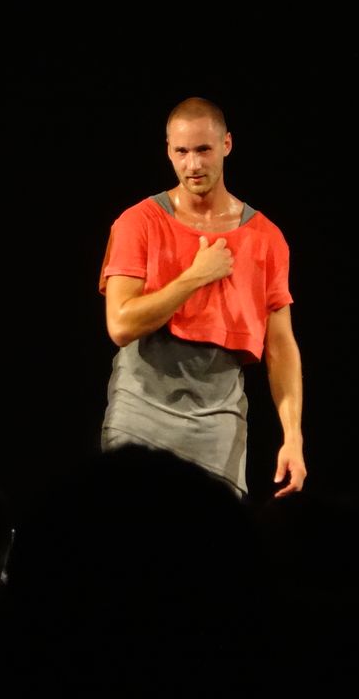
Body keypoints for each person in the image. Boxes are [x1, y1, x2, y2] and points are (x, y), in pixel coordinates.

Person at [98, 96, 305, 499]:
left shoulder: (266, 238)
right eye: (182, 151)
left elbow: (281, 346)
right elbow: (120, 325)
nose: (192, 164)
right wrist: (194, 277)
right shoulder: (138, 223)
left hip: (219, 427)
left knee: (212, 536)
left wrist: (293, 437)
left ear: (226, 144)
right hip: (140, 415)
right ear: (168, 151)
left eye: (203, 150)